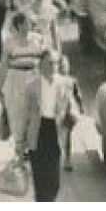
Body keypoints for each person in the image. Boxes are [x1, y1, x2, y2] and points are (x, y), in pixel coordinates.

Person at [16, 49, 79, 201]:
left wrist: (73, 115)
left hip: (55, 131)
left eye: (55, 63)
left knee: (54, 180)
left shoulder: (65, 84)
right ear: (41, 65)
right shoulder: (32, 86)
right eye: (49, 63)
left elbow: (73, 106)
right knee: (39, 178)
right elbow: (24, 114)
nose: (53, 66)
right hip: (37, 131)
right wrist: (20, 141)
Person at [0, 12, 48, 159]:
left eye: (30, 23)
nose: (29, 26)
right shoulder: (9, 42)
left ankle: (30, 147)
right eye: (25, 23)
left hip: (34, 79)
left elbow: (46, 60)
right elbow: (3, 66)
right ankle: (20, 149)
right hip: (15, 81)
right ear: (18, 26)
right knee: (17, 114)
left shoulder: (38, 40)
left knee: (34, 114)